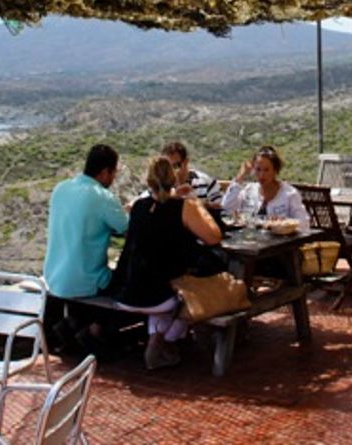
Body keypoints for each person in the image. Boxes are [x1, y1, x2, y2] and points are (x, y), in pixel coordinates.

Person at [115, 157, 222, 370]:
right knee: (197, 289)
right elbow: (214, 237)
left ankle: (159, 342)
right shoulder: (183, 207)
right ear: (174, 178)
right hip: (161, 295)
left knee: (161, 285)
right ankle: (167, 340)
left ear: (148, 181)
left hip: (127, 292)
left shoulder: (138, 207)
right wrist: (196, 204)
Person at [42, 143, 130, 352]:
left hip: (54, 277)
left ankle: (72, 323)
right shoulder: (102, 197)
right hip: (85, 281)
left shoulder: (60, 188)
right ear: (105, 171)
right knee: (128, 288)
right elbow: (127, 229)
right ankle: (95, 330)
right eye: (113, 173)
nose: (113, 178)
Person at [220, 145, 310, 231]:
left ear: (275, 171)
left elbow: (304, 223)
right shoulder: (249, 191)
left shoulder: (289, 194)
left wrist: (284, 224)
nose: (262, 175)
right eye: (258, 170)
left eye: (266, 170)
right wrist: (240, 177)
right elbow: (226, 209)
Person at [161, 140, 222, 206]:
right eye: (167, 167)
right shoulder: (159, 185)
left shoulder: (205, 181)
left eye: (175, 166)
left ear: (186, 161)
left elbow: (221, 208)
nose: (171, 171)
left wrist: (198, 203)